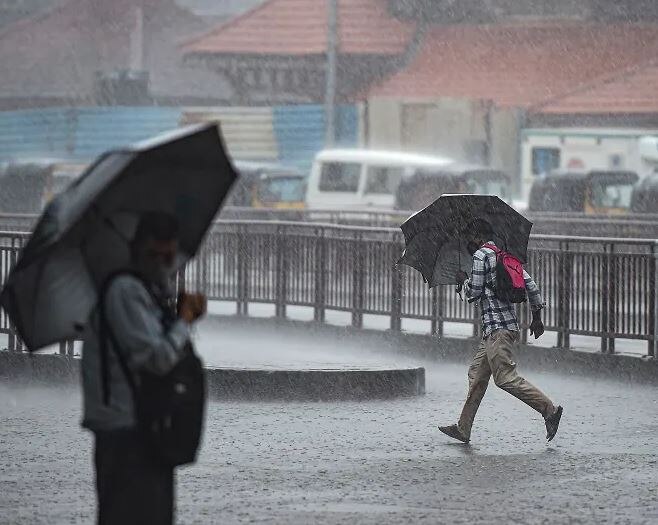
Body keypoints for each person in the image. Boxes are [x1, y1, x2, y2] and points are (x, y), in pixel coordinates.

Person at [81, 212, 207, 524]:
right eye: (156, 255)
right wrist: (184, 323)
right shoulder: (125, 291)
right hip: (126, 432)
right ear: (138, 249)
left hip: (144, 429)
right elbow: (157, 359)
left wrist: (176, 315)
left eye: (169, 256)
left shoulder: (144, 292)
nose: (164, 264)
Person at [439, 218, 563, 444]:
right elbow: (531, 287)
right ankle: (463, 428)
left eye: (469, 238)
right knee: (476, 375)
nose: (467, 243)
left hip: (497, 330)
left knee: (505, 378)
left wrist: (462, 281)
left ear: (477, 237)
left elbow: (473, 294)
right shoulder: (503, 255)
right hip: (501, 329)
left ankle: (550, 411)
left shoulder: (479, 256)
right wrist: (537, 317)